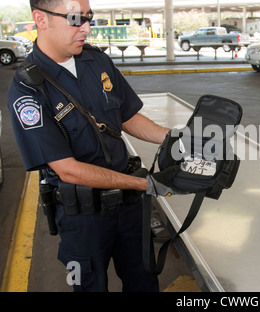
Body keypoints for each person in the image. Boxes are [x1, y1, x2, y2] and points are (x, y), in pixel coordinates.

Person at [7, 0, 169, 292]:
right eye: (75, 19)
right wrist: (142, 184)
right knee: (89, 287)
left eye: (89, 17)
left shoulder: (96, 61)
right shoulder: (28, 88)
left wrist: (173, 137)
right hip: (82, 220)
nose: (87, 27)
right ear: (41, 20)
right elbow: (67, 170)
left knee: (145, 282)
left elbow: (127, 116)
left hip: (129, 209)